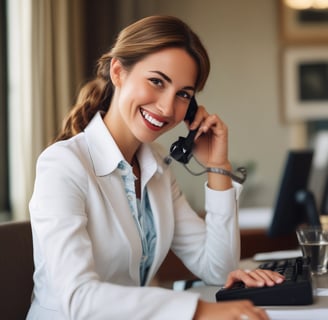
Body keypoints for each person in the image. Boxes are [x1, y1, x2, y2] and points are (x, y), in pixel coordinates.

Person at [27, 15, 284, 320]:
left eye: (183, 94)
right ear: (118, 72)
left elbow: (219, 268)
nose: (166, 107)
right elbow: (78, 298)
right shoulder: (63, 165)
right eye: (157, 81)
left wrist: (218, 166)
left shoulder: (156, 166)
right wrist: (197, 311)